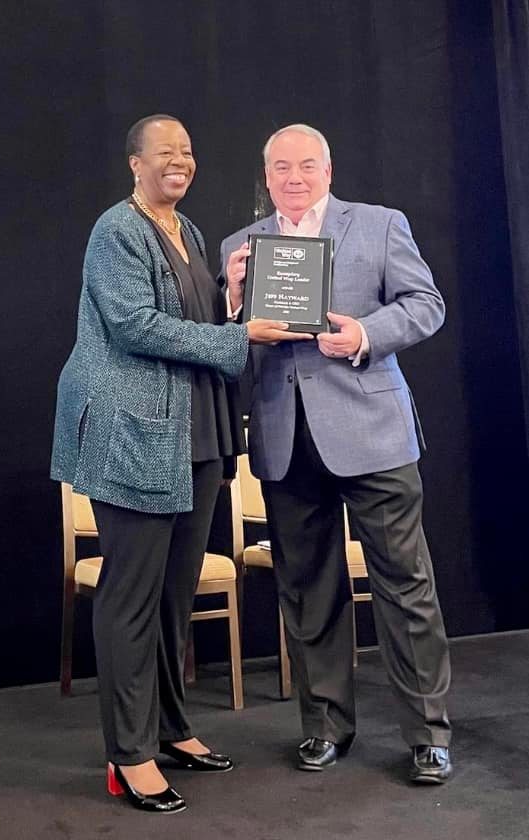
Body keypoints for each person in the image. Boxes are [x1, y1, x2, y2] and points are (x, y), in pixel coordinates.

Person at [51, 115, 309, 814]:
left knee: (172, 593)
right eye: (164, 151)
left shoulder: (188, 232)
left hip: (193, 435)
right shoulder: (116, 230)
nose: (179, 161)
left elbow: (199, 319)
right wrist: (239, 336)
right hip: (133, 431)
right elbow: (134, 325)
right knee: (130, 597)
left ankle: (169, 729)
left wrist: (232, 301)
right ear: (134, 163)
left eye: (188, 151)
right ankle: (127, 754)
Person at [221, 123, 452, 785]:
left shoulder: (378, 225)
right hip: (285, 438)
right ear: (265, 177)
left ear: (327, 169)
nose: (294, 178)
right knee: (306, 592)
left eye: (306, 165)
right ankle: (323, 725)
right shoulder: (240, 248)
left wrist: (364, 333)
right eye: (280, 168)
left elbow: (424, 304)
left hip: (373, 431)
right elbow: (227, 344)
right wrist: (232, 300)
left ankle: (429, 735)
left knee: (406, 589)